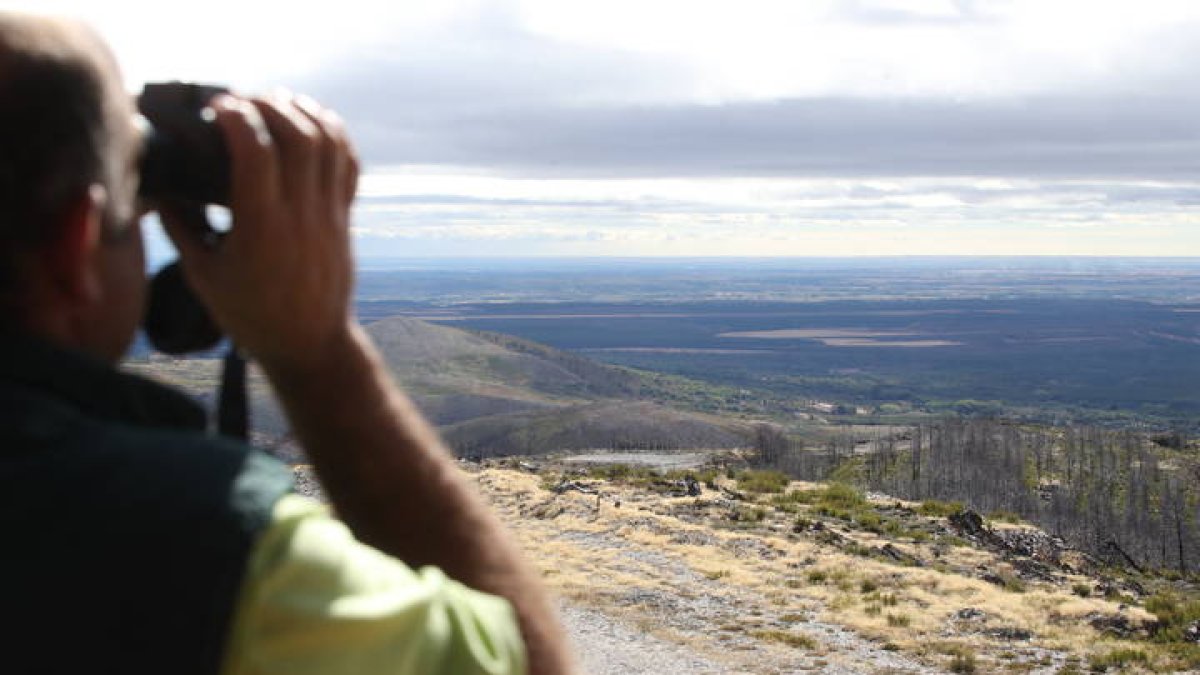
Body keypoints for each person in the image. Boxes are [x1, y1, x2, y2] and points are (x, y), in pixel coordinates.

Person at [0, 12, 576, 675]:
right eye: (136, 196)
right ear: (78, 243)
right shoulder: (206, 550)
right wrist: (321, 356)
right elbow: (526, 663)